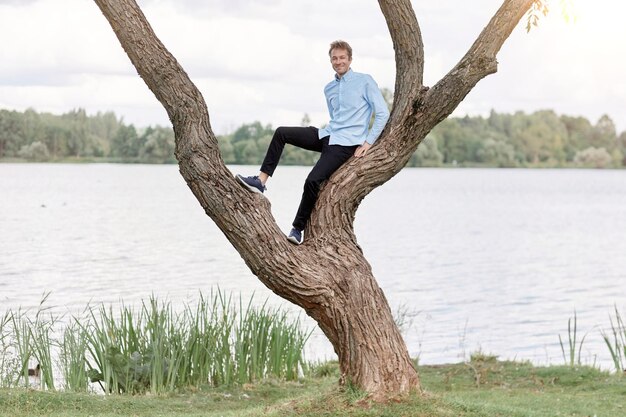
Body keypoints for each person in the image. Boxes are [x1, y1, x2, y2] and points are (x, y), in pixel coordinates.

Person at [236, 40, 389, 245]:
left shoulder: (365, 81)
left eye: (342, 57)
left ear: (350, 59)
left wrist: (368, 143)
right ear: (331, 61)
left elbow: (382, 113)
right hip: (327, 134)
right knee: (281, 133)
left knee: (312, 180)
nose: (338, 61)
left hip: (346, 144)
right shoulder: (329, 88)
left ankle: (297, 229)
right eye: (334, 58)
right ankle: (260, 181)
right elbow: (335, 116)